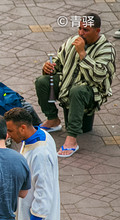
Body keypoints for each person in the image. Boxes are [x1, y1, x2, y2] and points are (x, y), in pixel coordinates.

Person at [34, 13, 116, 157]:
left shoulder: (106, 49)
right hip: (68, 84)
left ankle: (72, 139)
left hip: (91, 92)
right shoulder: (72, 41)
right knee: (42, 81)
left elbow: (98, 77)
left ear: (97, 31)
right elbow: (59, 63)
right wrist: (49, 67)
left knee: (77, 91)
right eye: (80, 29)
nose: (81, 33)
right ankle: (53, 120)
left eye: (86, 30)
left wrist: (83, 54)